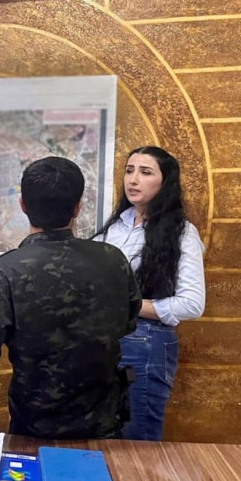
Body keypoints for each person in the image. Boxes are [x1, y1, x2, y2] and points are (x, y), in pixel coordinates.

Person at [0, 156, 141, 442]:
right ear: (77, 207)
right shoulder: (113, 260)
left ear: (23, 205)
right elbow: (129, 321)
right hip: (104, 424)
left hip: (34, 429)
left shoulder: (6, 271)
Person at [93, 145, 206, 441]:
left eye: (145, 172)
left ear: (165, 182)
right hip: (101, 341)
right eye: (129, 171)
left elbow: (192, 304)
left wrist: (127, 305)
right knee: (101, 435)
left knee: (137, 435)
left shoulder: (182, 232)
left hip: (146, 342)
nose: (133, 180)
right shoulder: (114, 228)